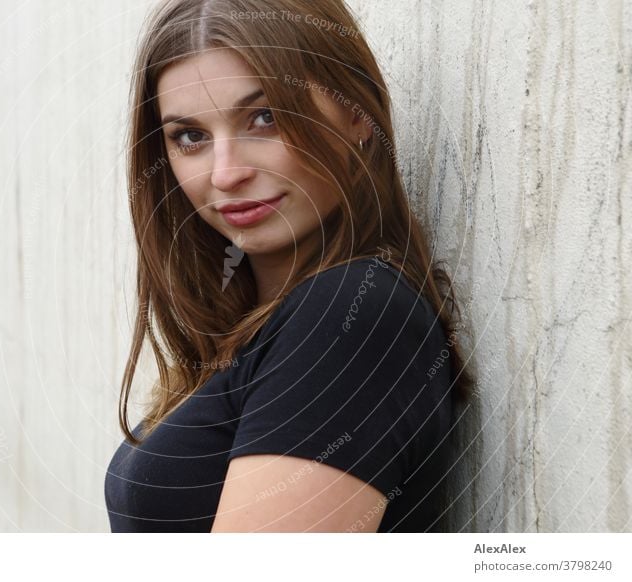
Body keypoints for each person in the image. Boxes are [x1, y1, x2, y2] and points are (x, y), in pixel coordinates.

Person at [104, 0, 472, 532]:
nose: (225, 174)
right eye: (191, 137)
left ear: (356, 113)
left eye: (265, 116)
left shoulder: (347, 317)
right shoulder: (269, 326)